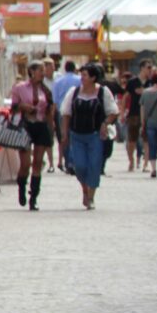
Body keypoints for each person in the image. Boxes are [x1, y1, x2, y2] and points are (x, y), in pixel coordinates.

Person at [60, 63, 119, 209]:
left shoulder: (103, 92)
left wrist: (105, 123)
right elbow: (66, 114)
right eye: (81, 74)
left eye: (85, 75)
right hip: (77, 135)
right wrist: (64, 133)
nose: (81, 77)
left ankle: (91, 197)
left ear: (93, 78)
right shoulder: (74, 92)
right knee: (79, 166)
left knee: (94, 165)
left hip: (95, 135)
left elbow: (113, 112)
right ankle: (85, 189)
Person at [11, 60, 55, 211]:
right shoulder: (20, 88)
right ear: (32, 71)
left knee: (37, 163)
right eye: (40, 70)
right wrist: (23, 106)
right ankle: (21, 186)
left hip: (41, 126)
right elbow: (13, 107)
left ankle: (34, 197)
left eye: (44, 70)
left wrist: (52, 131)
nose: (43, 73)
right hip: (25, 126)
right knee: (25, 164)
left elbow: (49, 112)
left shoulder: (46, 90)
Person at [120, 59, 153, 172]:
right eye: (148, 67)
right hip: (133, 113)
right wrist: (122, 113)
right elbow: (125, 97)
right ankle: (131, 161)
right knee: (132, 140)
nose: (150, 70)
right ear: (142, 68)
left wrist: (144, 91)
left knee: (146, 140)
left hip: (148, 114)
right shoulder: (132, 82)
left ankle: (146, 164)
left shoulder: (151, 82)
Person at [52, 60, 81, 174]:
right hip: (77, 111)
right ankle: (74, 162)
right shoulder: (79, 80)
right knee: (75, 136)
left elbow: (55, 101)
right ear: (74, 68)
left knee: (64, 137)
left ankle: (68, 161)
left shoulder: (58, 81)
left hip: (62, 112)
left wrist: (53, 116)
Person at [42, 57, 58, 173]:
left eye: (53, 66)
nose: (53, 69)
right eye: (50, 67)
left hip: (57, 110)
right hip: (45, 112)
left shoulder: (58, 78)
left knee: (51, 139)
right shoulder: (41, 82)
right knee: (45, 139)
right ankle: (45, 161)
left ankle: (53, 163)